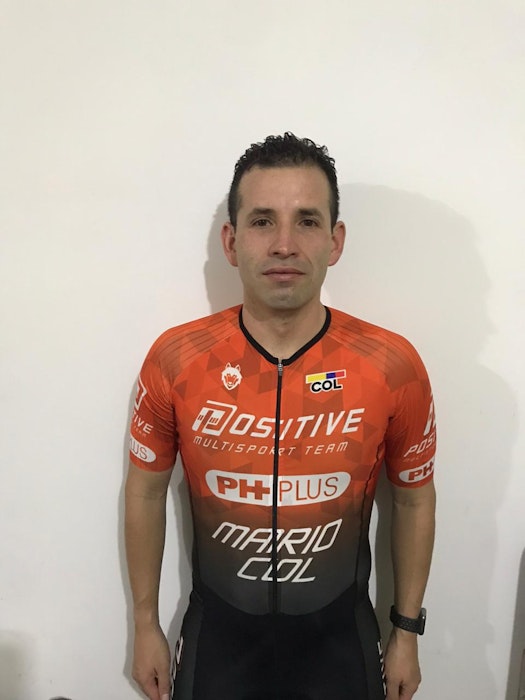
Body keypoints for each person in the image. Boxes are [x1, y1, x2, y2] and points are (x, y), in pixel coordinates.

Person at [125, 133, 436, 700]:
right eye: (263, 221)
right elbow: (145, 491)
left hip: (340, 646)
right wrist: (145, 625)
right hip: (219, 647)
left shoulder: (392, 366)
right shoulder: (176, 359)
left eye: (307, 221)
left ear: (336, 241)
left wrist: (407, 631)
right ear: (232, 240)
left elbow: (414, 498)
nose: (285, 244)